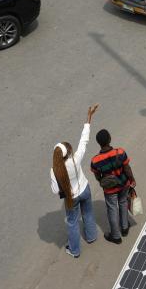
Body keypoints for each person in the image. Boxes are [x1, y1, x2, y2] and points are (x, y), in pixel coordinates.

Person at [51, 104, 101, 258]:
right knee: (88, 213)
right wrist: (88, 118)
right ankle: (91, 237)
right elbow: (83, 141)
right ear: (69, 152)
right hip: (85, 190)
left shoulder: (54, 171)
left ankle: (75, 250)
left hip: (71, 198)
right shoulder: (76, 160)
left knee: (72, 223)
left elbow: (55, 190)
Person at [89, 127, 136, 244]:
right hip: (124, 184)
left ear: (99, 143)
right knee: (123, 202)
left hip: (109, 189)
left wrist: (102, 181)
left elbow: (97, 176)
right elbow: (127, 168)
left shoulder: (95, 160)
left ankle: (115, 236)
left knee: (112, 209)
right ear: (110, 139)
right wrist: (132, 179)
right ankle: (125, 228)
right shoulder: (120, 152)